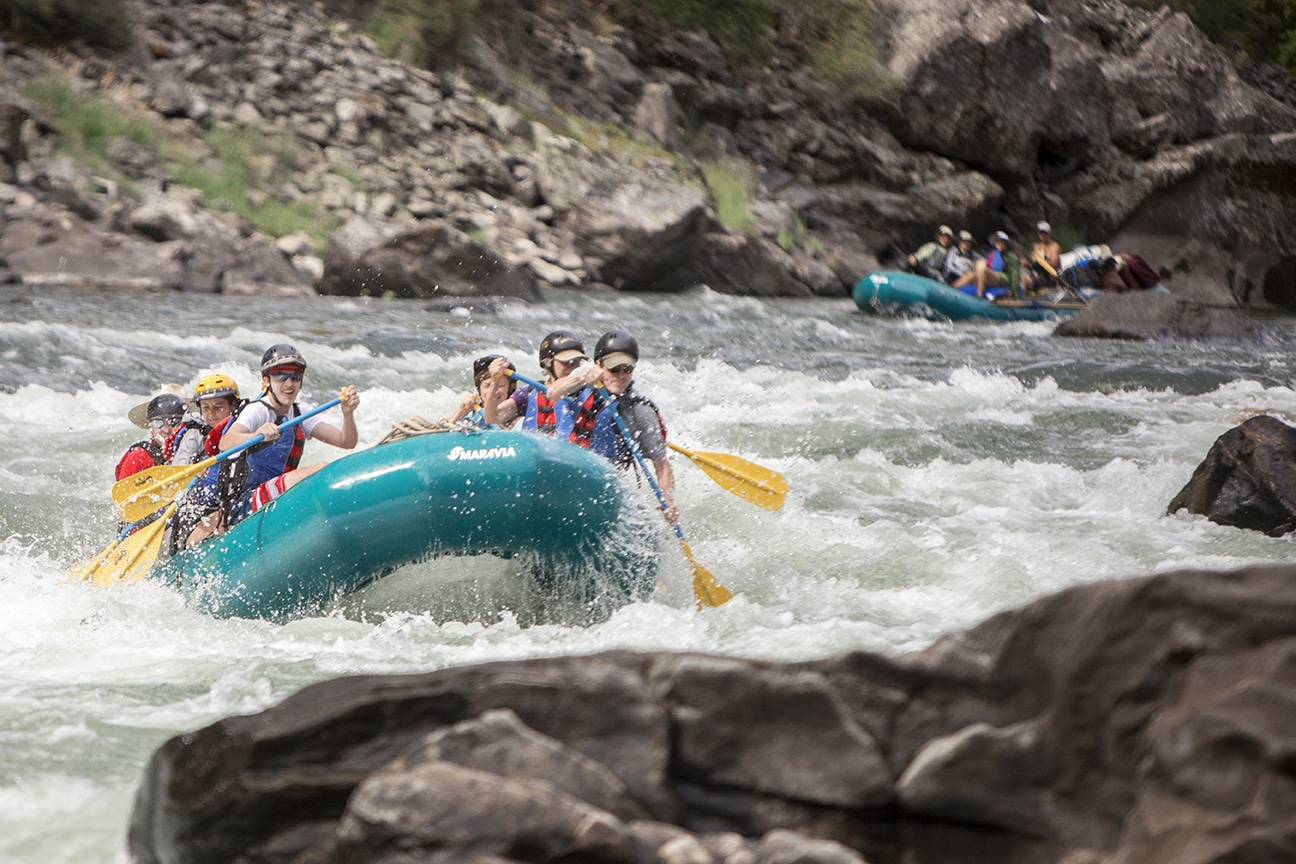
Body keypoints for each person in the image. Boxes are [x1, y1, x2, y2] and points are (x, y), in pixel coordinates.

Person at [218, 343, 360, 529]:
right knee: (321, 469)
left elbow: (346, 442)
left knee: (325, 472)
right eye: (280, 377)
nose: (289, 384)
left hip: (276, 496)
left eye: (295, 377)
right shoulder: (258, 410)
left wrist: (348, 414)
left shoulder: (301, 412)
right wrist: (257, 434)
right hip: (244, 503)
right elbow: (225, 442)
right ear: (266, 380)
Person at [549, 331, 677, 522]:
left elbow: (661, 464)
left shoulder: (640, 411)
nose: (621, 375)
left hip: (601, 490)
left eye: (627, 368)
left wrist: (668, 499)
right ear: (598, 365)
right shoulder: (582, 378)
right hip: (563, 474)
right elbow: (553, 393)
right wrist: (582, 378)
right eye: (614, 368)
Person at [487, 330, 588, 434]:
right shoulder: (529, 392)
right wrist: (495, 381)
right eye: (566, 362)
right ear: (547, 363)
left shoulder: (586, 392)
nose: (572, 367)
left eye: (576, 361)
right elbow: (492, 417)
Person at [116, 384, 190, 481]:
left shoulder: (196, 448)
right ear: (150, 425)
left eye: (174, 422)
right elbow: (122, 494)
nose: (166, 430)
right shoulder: (139, 458)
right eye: (158, 423)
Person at [449, 354, 516, 428]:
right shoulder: (474, 413)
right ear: (479, 388)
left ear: (511, 388)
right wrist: (461, 411)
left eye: (499, 385)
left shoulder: (515, 413)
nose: (493, 391)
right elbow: (442, 431)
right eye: (487, 385)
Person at [952, 231, 1021, 299]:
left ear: (1006, 244)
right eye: (997, 242)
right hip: (992, 277)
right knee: (972, 274)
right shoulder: (993, 253)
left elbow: (1015, 273)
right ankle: (953, 287)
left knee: (983, 269)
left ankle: (979, 295)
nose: (999, 244)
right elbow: (987, 265)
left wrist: (1013, 290)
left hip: (1003, 279)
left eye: (1002, 242)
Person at [1022, 221, 1063, 292]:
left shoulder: (1054, 247)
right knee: (1021, 279)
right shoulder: (1036, 246)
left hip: (1049, 278)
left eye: (1045, 233)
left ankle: (1021, 300)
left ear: (1049, 233)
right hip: (1036, 275)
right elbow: (1033, 265)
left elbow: (1054, 264)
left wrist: (1040, 258)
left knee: (1026, 282)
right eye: (1041, 233)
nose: (1043, 235)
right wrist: (1027, 264)